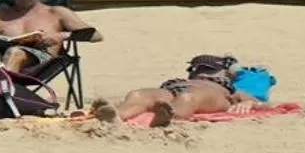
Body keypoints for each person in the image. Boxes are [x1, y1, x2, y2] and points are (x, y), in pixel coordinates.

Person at [92, 55, 271, 126]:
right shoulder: (186, 78)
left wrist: (250, 103)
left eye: (206, 68)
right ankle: (116, 116)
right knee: (139, 94)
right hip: (173, 87)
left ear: (224, 73)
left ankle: (169, 117)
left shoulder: (229, 87)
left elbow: (259, 103)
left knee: (188, 97)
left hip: (210, 94)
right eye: (193, 68)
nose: (196, 71)